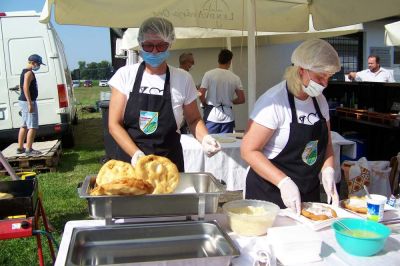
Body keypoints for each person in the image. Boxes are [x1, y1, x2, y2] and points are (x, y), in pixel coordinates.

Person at [108, 17, 221, 171]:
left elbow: (193, 119)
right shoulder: (125, 75)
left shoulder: (182, 78)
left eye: (161, 46)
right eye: (148, 46)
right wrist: (136, 155)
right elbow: (114, 124)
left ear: (170, 44)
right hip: (131, 163)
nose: (154, 51)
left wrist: (205, 138)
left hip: (168, 164)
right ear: (140, 44)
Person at [241, 39, 340, 215]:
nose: (325, 84)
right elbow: (249, 151)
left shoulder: (320, 101)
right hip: (269, 193)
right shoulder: (273, 102)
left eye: (328, 77)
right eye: (320, 76)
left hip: (308, 192)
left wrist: (328, 169)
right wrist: (283, 182)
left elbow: (327, 145)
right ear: (302, 70)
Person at [199, 49, 245, 134]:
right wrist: (230, 101)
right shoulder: (235, 78)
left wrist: (205, 103)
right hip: (228, 116)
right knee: (227, 144)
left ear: (218, 59)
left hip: (211, 115)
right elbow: (241, 99)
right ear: (230, 61)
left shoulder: (209, 74)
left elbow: (201, 94)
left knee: (210, 144)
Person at [17, 54, 45, 156]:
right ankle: (29, 149)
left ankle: (20, 148)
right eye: (38, 64)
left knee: (24, 124)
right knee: (32, 126)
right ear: (33, 63)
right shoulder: (29, 73)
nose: (39, 66)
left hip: (23, 101)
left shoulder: (24, 71)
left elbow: (21, 87)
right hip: (28, 101)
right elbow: (25, 88)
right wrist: (29, 103)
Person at [178, 52, 195, 134]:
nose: (193, 65)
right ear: (185, 62)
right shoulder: (184, 75)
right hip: (183, 114)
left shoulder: (178, 74)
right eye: (192, 62)